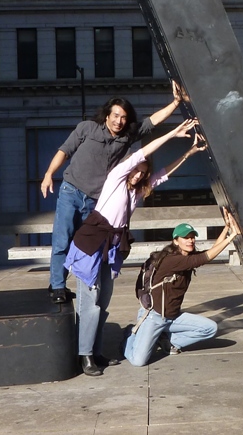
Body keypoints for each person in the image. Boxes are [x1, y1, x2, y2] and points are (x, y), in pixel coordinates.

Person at [65, 119, 208, 376]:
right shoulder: (116, 179)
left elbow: (164, 173)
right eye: (137, 170)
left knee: (103, 302)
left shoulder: (135, 192)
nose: (140, 174)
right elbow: (143, 152)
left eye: (143, 172)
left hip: (110, 248)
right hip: (91, 245)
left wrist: (189, 152)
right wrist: (174, 133)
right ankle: (84, 356)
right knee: (90, 303)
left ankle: (95, 352)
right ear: (128, 168)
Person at [41, 82, 183, 304]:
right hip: (71, 191)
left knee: (84, 243)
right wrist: (50, 173)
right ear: (107, 115)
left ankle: (70, 283)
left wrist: (176, 102)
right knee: (63, 238)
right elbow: (64, 150)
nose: (119, 121)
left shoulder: (127, 137)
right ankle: (57, 285)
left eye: (124, 117)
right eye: (115, 115)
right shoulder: (87, 128)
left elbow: (153, 121)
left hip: (95, 201)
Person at [123, 208, 241, 367]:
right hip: (154, 317)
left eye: (192, 237)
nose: (190, 241)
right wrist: (233, 236)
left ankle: (166, 341)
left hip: (172, 317)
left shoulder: (187, 256)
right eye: (186, 238)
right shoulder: (172, 260)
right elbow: (206, 257)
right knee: (138, 361)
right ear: (175, 240)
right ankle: (130, 335)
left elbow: (209, 251)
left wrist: (227, 228)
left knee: (209, 329)